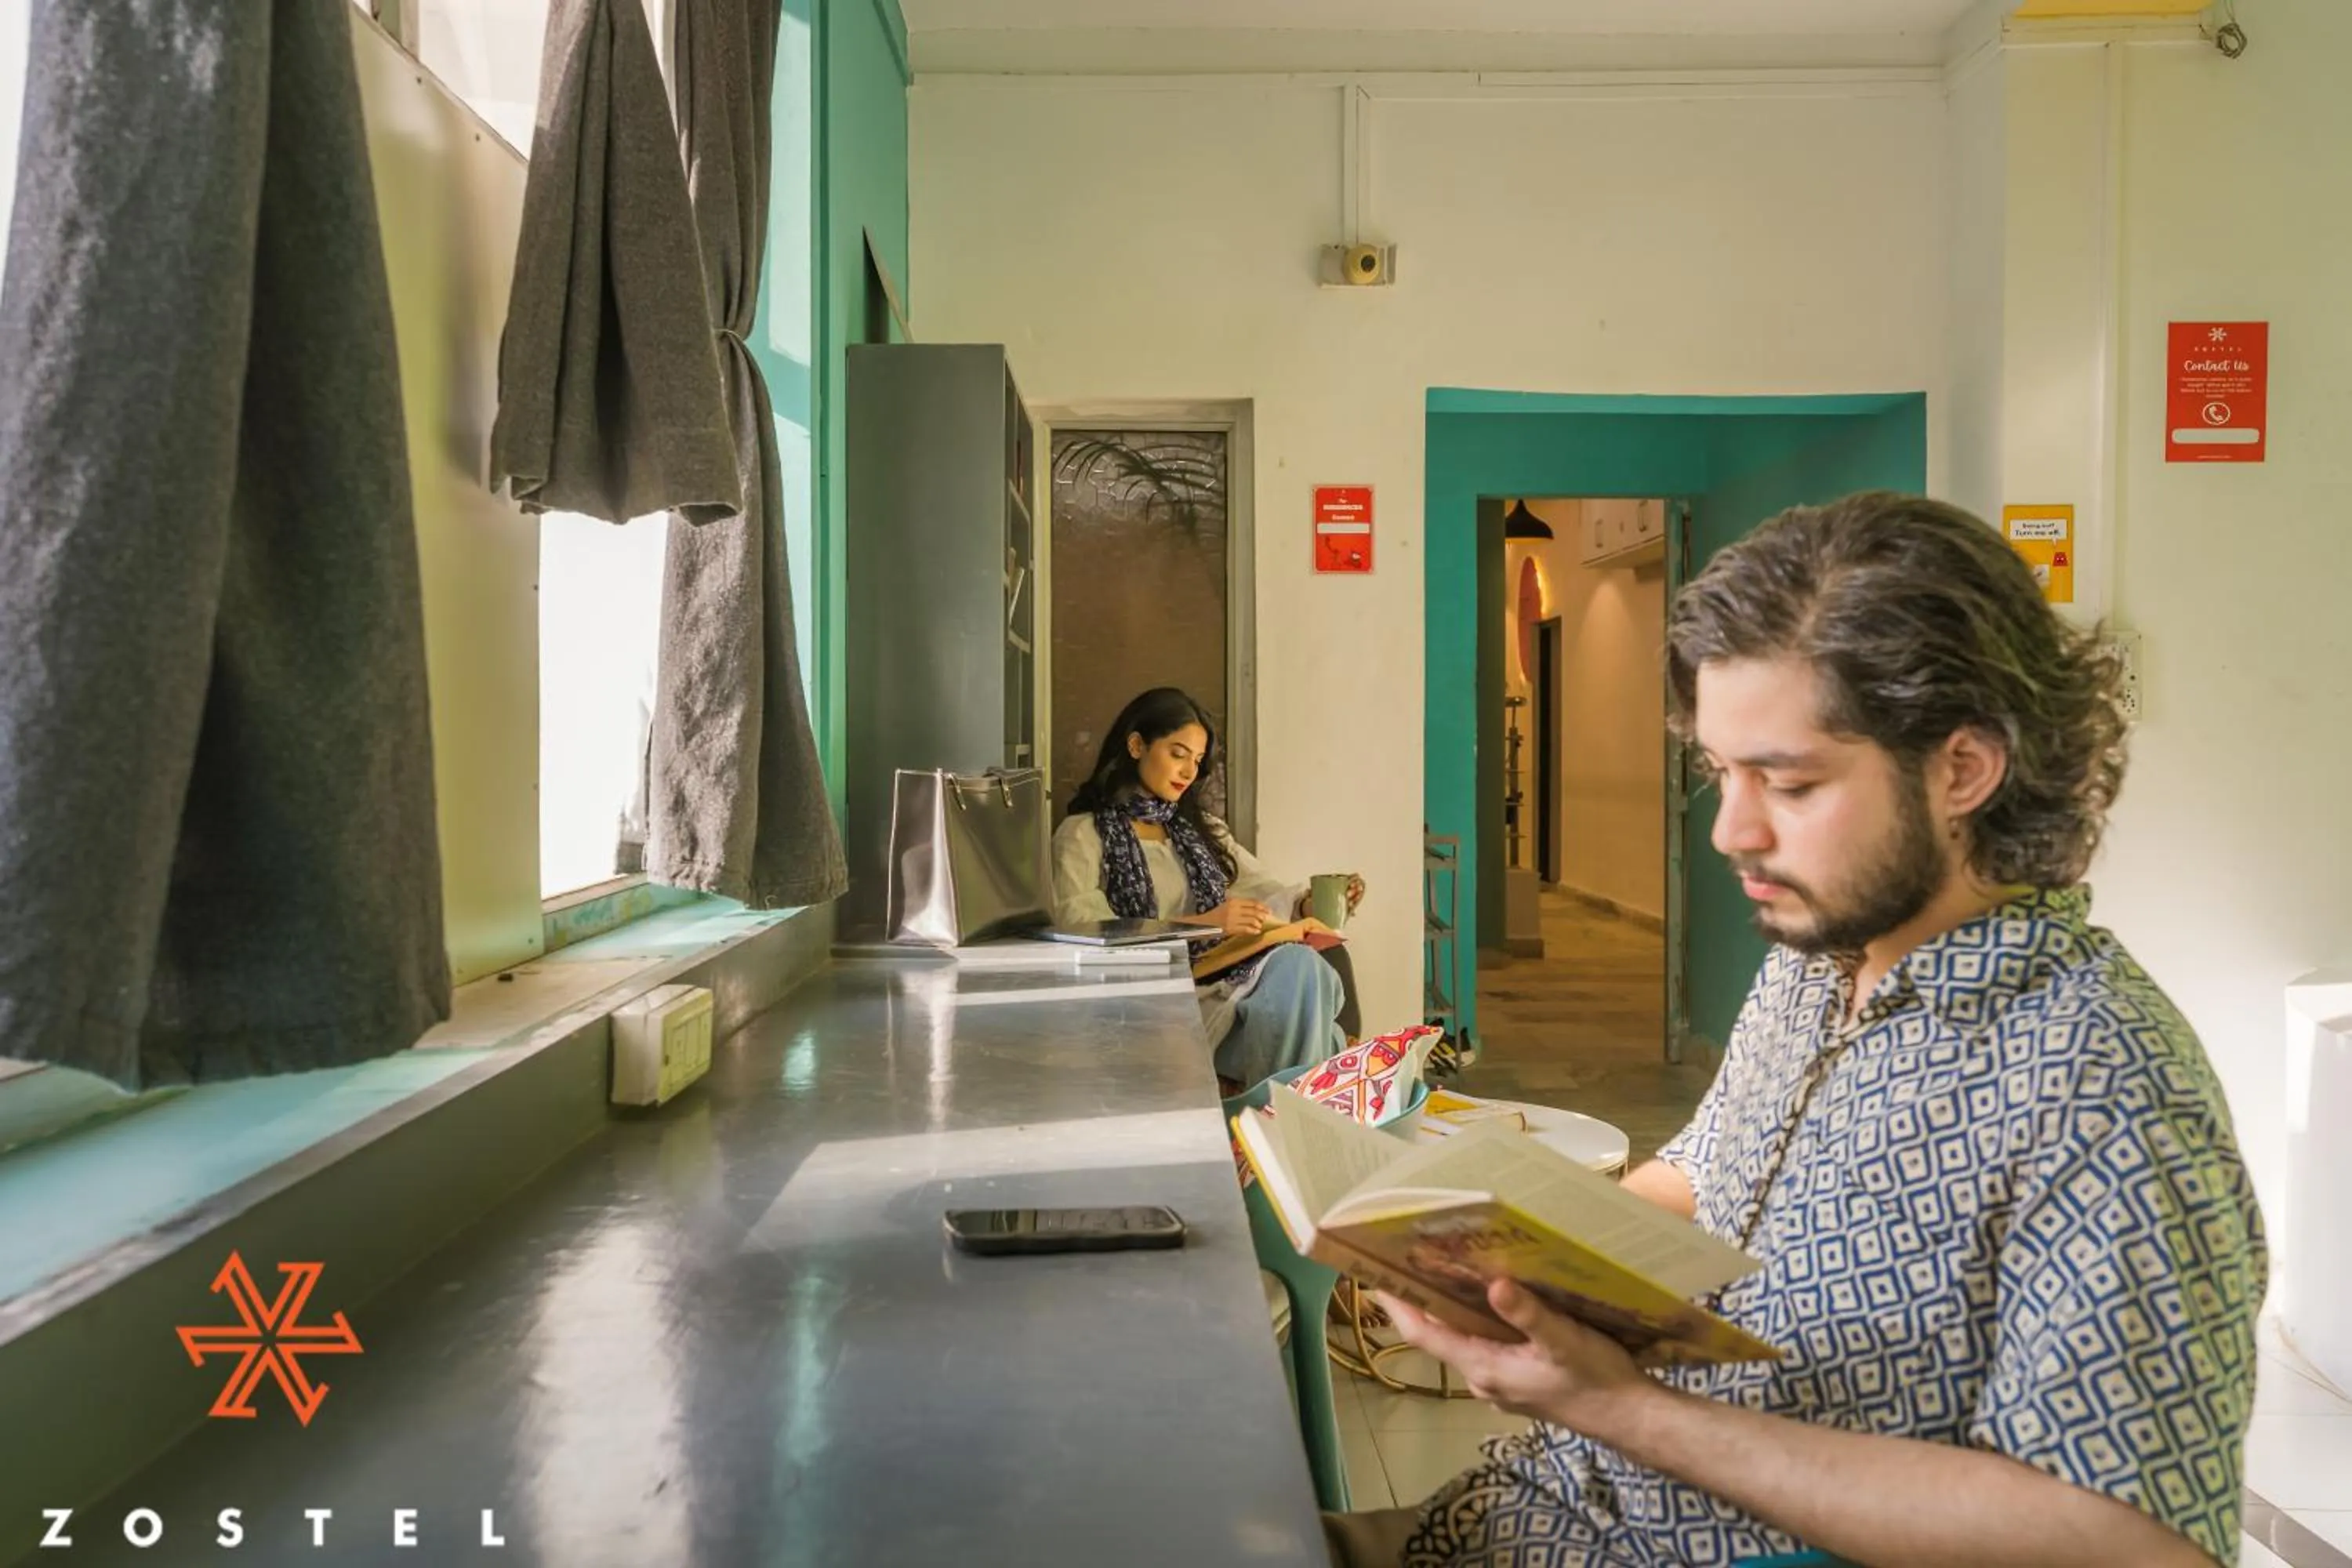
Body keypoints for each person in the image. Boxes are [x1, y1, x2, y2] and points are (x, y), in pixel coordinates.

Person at [1323, 493, 2267, 1568]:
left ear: (1964, 768)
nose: (1732, 829)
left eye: (1791, 782)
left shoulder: (2100, 1083)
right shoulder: (1812, 972)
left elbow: (2131, 1544)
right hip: (1531, 1516)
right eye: (1722, 773)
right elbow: (1708, 1173)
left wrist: (1621, 1408)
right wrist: (1488, 1254)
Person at [1052, 688, 1365, 1090]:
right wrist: (1201, 925)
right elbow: (1083, 931)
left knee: (1301, 970)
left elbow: (1266, 893)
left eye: (1197, 761)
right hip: (1153, 1002)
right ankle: (1295, 1130)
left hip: (1223, 989)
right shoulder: (1084, 835)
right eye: (1178, 754)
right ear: (1136, 745)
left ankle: (1279, 1128)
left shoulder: (1202, 833)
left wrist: (1308, 904)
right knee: (1324, 1034)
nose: (1188, 771)